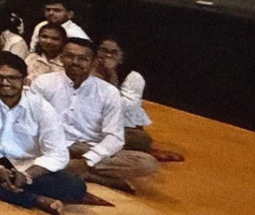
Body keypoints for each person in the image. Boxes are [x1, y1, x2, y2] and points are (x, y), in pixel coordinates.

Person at [0, 51, 88, 215]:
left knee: (76, 187)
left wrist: (27, 176)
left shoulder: (41, 106)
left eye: (12, 78)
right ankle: (34, 199)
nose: (5, 83)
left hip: (26, 168)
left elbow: (58, 154)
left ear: (24, 79)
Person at [30, 37, 159, 193]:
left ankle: (69, 169)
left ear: (93, 62)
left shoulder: (108, 92)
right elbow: (31, 122)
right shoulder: (43, 83)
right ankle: (90, 176)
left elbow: (115, 137)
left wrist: (87, 161)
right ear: (61, 58)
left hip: (88, 147)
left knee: (146, 163)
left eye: (82, 59)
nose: (75, 62)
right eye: (70, 56)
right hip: (51, 145)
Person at [92, 37, 154, 153]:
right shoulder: (87, 70)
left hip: (121, 125)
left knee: (140, 140)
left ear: (121, 57)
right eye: (104, 50)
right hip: (90, 122)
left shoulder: (133, 77)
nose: (108, 56)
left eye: (114, 52)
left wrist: (111, 75)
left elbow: (127, 106)